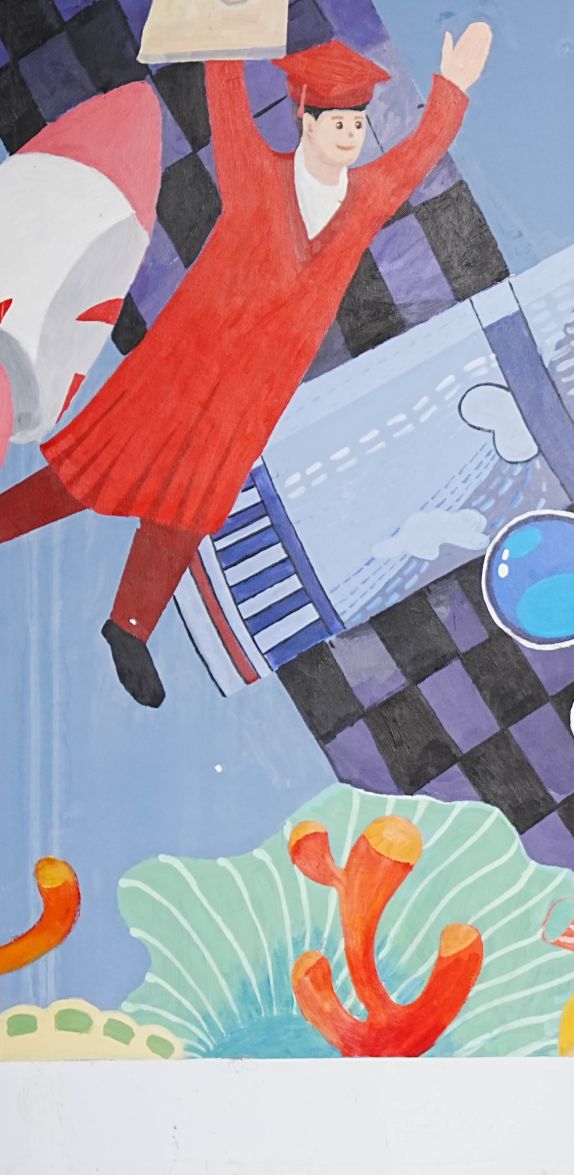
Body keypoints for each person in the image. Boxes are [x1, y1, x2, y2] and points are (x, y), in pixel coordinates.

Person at [0, 27, 493, 707]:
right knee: (95, 474)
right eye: (340, 123)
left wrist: (452, 90)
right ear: (306, 121)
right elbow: (227, 101)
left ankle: (130, 626)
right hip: (180, 368)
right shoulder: (254, 173)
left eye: (358, 124)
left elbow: (418, 155)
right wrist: (227, 33)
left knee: (189, 503)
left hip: (247, 399)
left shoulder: (366, 199)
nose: (351, 136)